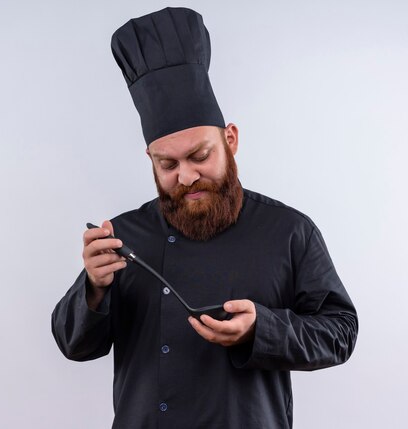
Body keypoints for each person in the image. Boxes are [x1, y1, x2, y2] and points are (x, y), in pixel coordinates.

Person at [52, 7, 358, 429]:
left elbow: (340, 333)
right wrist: (94, 286)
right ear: (151, 159)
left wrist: (261, 330)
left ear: (230, 140)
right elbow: (74, 345)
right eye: (168, 164)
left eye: (200, 155)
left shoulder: (290, 231)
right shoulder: (124, 237)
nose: (187, 176)